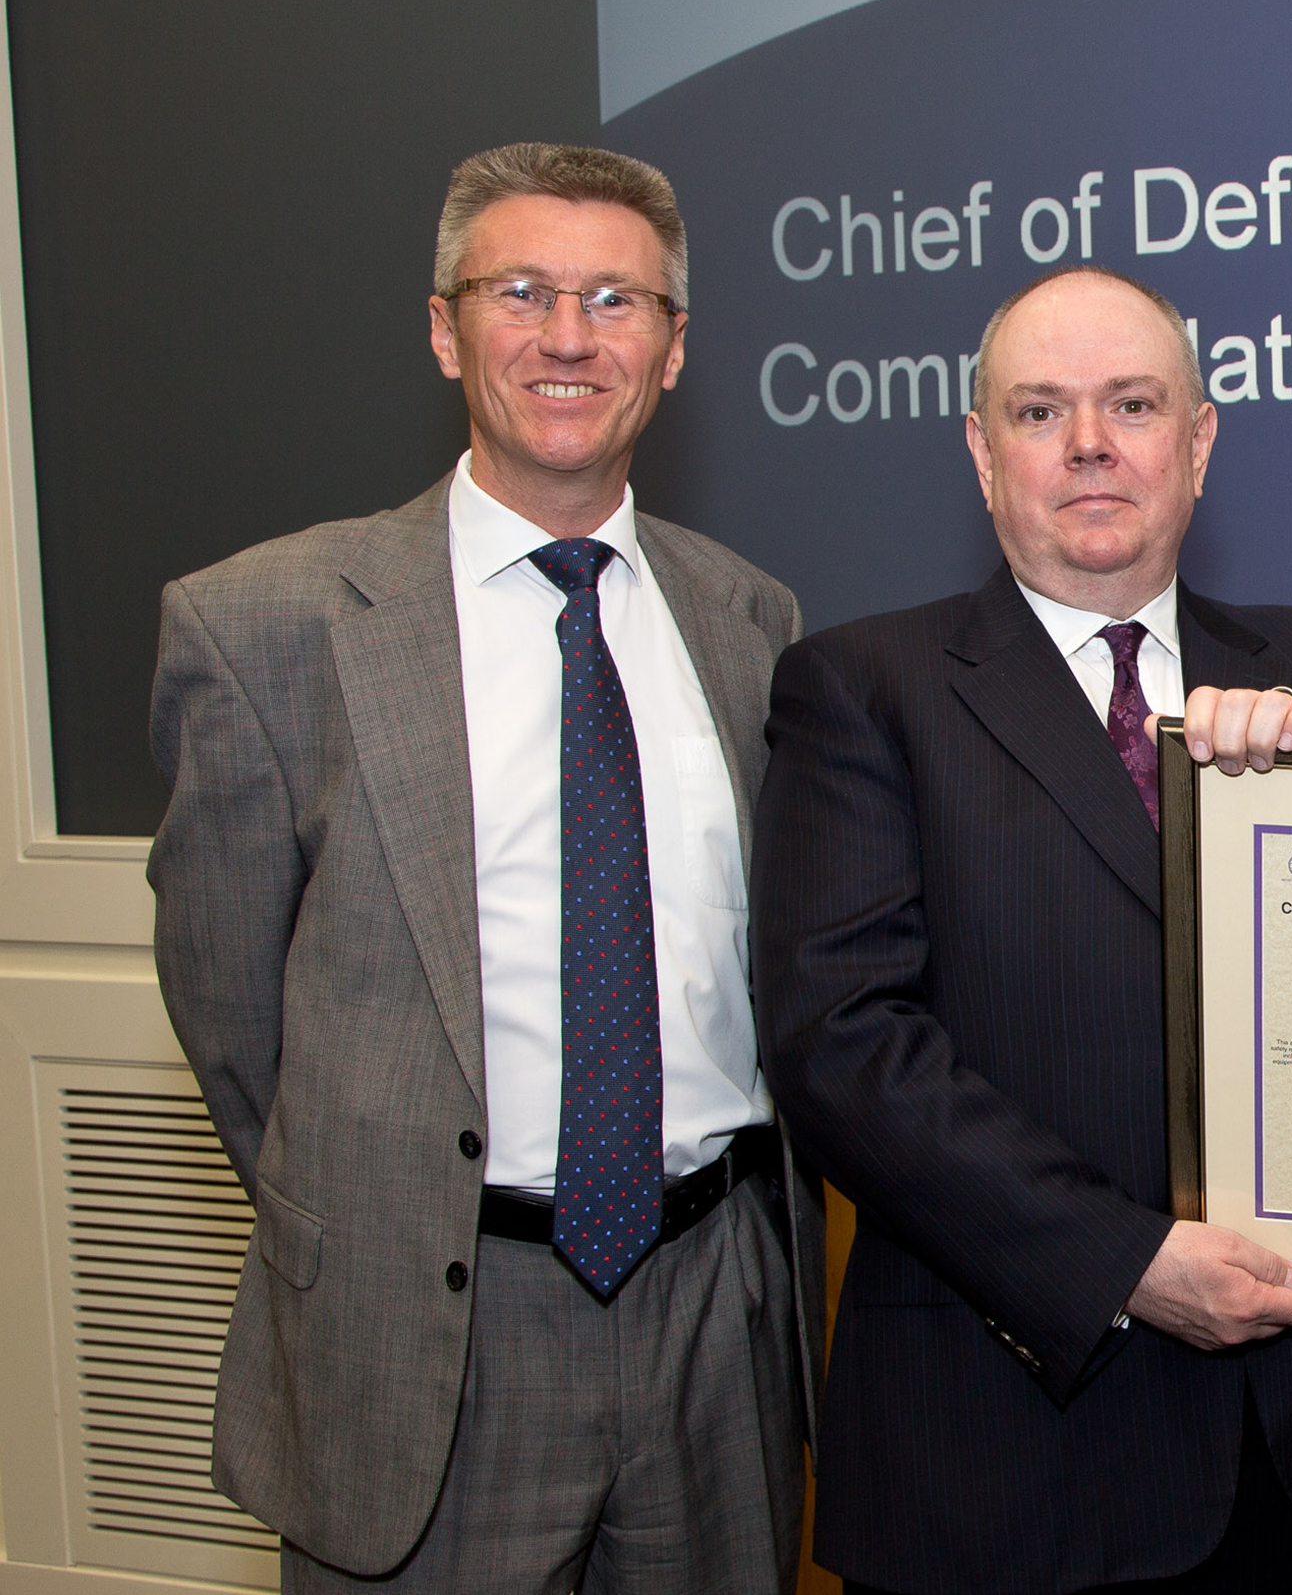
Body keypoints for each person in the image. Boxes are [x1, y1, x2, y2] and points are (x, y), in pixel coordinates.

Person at [149, 143, 814, 1591]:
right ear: (446, 328)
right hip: (427, 1338)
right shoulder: (262, 625)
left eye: (615, 301)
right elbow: (231, 1024)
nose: (569, 337)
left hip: (713, 1313)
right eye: (522, 292)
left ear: (674, 347)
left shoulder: (751, 620)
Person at [753, 264, 1292, 1595]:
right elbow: (841, 1046)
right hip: (1005, 1455)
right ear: (979, 453)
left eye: (1133, 404)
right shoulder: (864, 688)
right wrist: (1121, 1263)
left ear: (1197, 444)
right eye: (1039, 410)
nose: (1089, 442)